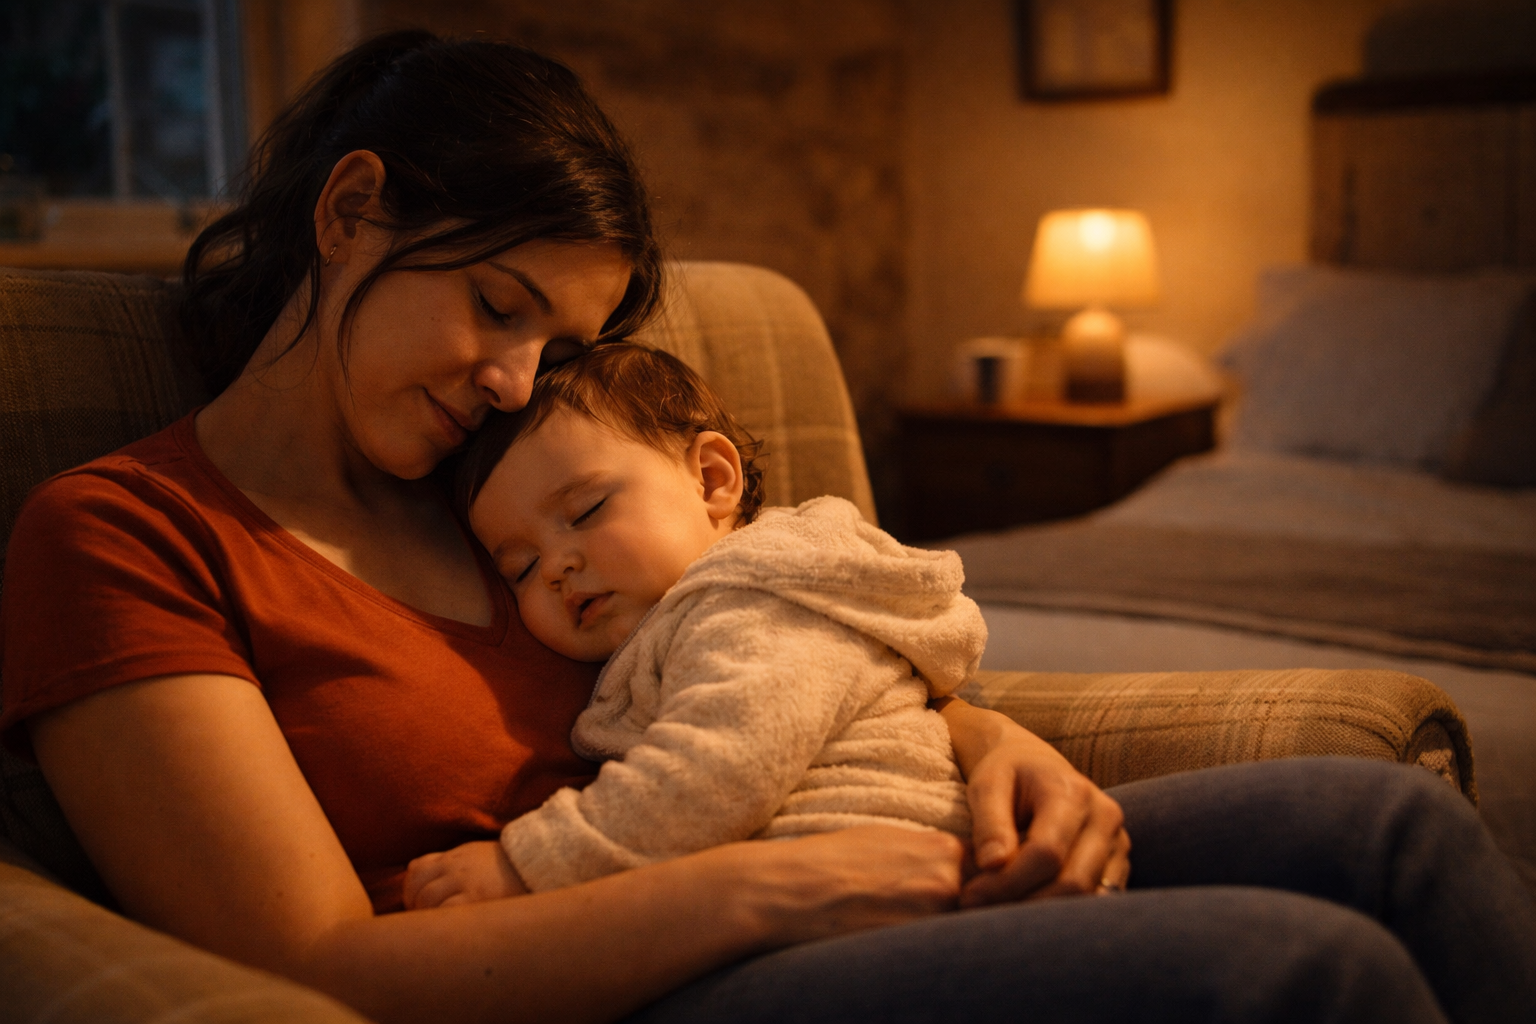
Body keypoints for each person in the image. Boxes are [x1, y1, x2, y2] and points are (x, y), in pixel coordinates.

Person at [0, 29, 1531, 1024]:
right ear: (349, 215)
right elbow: (307, 968)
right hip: (628, 980)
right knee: (1307, 973)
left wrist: (999, 745)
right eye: (496, 305)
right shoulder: (125, 537)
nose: (514, 380)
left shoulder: (494, 482)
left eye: (553, 343)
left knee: (1383, 826)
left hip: (834, 836)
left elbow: (766, 630)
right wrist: (778, 886)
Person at [405, 344, 981, 903]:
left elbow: (722, 769)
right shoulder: (678, 615)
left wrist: (527, 864)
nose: (556, 567)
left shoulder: (756, 595)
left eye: (585, 511)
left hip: (880, 870)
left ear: (710, 478)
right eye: (522, 567)